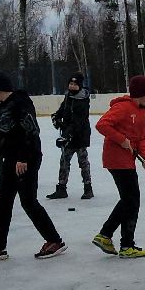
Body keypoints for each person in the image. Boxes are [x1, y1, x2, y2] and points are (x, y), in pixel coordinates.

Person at [0, 73, 65, 264]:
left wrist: (23, 158)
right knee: (3, 201)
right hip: (11, 160)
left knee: (28, 202)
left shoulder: (20, 103)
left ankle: (54, 240)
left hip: (26, 159)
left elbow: (31, 131)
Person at [92, 75, 145, 259]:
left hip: (128, 159)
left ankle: (106, 236)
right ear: (140, 94)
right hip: (116, 159)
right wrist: (121, 140)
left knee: (129, 199)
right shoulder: (123, 107)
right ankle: (126, 245)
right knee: (131, 200)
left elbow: (141, 137)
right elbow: (102, 125)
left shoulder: (142, 111)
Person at [47, 73, 94, 201]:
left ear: (80, 86)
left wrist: (67, 133)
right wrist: (56, 117)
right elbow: (63, 109)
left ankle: (88, 188)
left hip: (80, 135)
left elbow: (79, 120)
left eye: (75, 84)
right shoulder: (68, 96)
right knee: (64, 161)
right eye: (70, 84)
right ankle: (61, 188)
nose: (72, 86)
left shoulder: (83, 100)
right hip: (68, 135)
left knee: (83, 162)